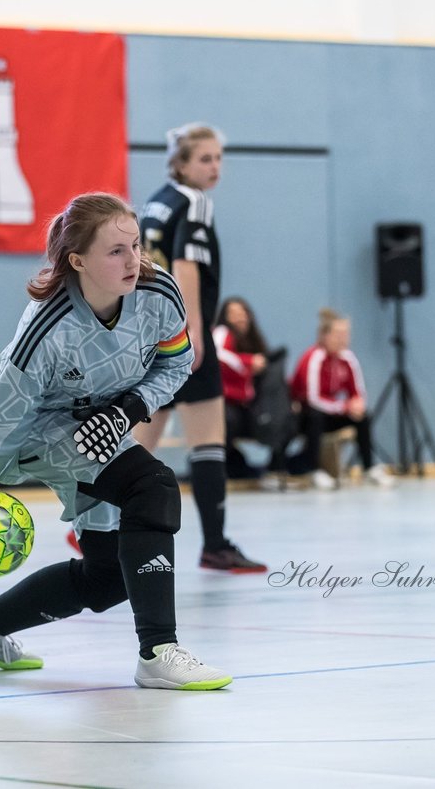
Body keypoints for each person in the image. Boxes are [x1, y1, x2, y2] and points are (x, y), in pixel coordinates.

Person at [0, 192, 232, 690]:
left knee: (108, 576)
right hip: (42, 427)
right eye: (116, 251)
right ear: (78, 261)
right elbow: (1, 422)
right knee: (153, 485)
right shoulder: (45, 331)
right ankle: (159, 651)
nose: (134, 260)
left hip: (107, 420)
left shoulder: (159, 293)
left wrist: (129, 410)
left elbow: (177, 362)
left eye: (136, 245)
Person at [132, 123, 266, 574]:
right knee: (209, 440)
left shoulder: (156, 200)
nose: (215, 168)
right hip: (182, 333)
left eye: (218, 158)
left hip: (152, 333)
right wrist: (195, 328)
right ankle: (215, 545)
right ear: (181, 163)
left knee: (136, 447)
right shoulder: (195, 203)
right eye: (204, 159)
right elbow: (187, 264)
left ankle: (96, 525)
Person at [289, 308, 396, 490]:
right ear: (324, 336)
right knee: (316, 416)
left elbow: (358, 393)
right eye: (337, 334)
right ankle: (314, 470)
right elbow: (313, 399)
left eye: (346, 334)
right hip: (302, 416)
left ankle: (369, 468)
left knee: (362, 416)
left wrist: (356, 405)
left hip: (330, 412)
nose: (342, 338)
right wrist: (346, 406)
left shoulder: (347, 358)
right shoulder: (314, 357)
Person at [212, 296, 290, 486]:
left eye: (243, 313)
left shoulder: (254, 340)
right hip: (224, 402)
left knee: (282, 419)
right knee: (227, 422)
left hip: (245, 404)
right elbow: (218, 355)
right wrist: (248, 363)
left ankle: (275, 467)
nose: (240, 318)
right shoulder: (222, 333)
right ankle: (218, 469)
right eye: (234, 314)